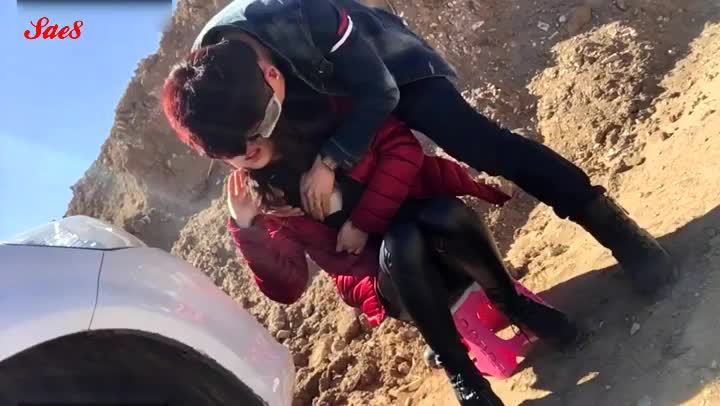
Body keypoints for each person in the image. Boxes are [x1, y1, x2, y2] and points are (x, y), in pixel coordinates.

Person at [161, 44, 580, 406]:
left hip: (448, 245)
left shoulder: (328, 111)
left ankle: (514, 305)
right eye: (228, 150)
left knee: (441, 214)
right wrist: (246, 226)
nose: (247, 151)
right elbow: (288, 288)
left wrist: (356, 209)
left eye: (252, 130)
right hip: (392, 282)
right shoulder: (260, 198)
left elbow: (403, 149)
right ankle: (461, 371)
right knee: (402, 242)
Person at [184, 0, 676, 296]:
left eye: (265, 126)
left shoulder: (301, 14)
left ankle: (614, 228)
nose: (261, 142)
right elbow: (247, 140)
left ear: (271, 75)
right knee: (354, 202)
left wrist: (331, 158)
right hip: (320, 99)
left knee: (479, 145)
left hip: (387, 69)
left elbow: (379, 92)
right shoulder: (211, 85)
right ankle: (446, 303)